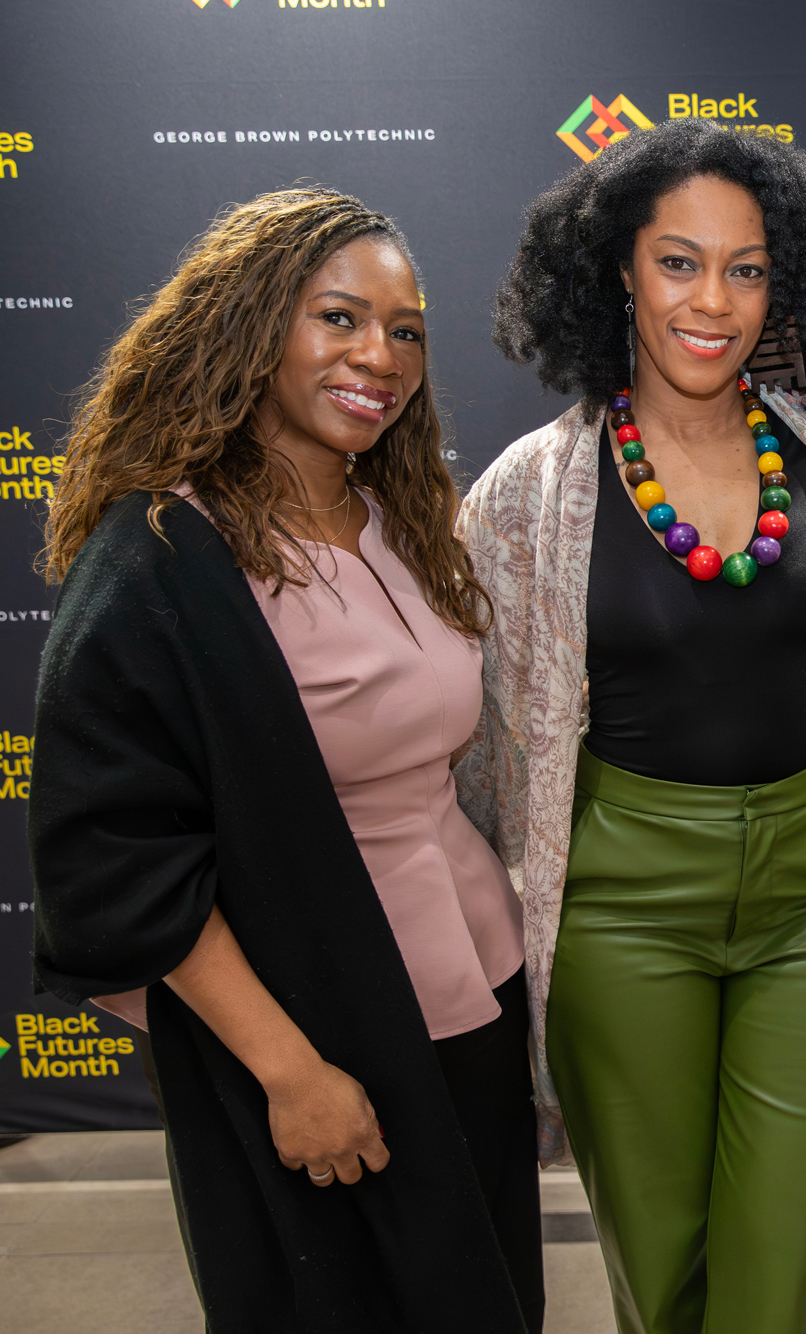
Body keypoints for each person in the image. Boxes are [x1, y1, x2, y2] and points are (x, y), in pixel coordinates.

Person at [456, 119, 806, 1334]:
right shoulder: (530, 488)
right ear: (617, 273)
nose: (713, 301)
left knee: (780, 1270)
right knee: (661, 1264)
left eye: (746, 269)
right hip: (617, 903)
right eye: (678, 262)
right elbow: (479, 741)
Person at [29, 189, 541, 1332]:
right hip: (315, 1036)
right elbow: (119, 859)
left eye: (405, 331)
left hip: (472, 1000)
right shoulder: (162, 557)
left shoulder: (405, 521)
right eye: (339, 318)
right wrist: (290, 1072)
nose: (379, 356)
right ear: (254, 326)